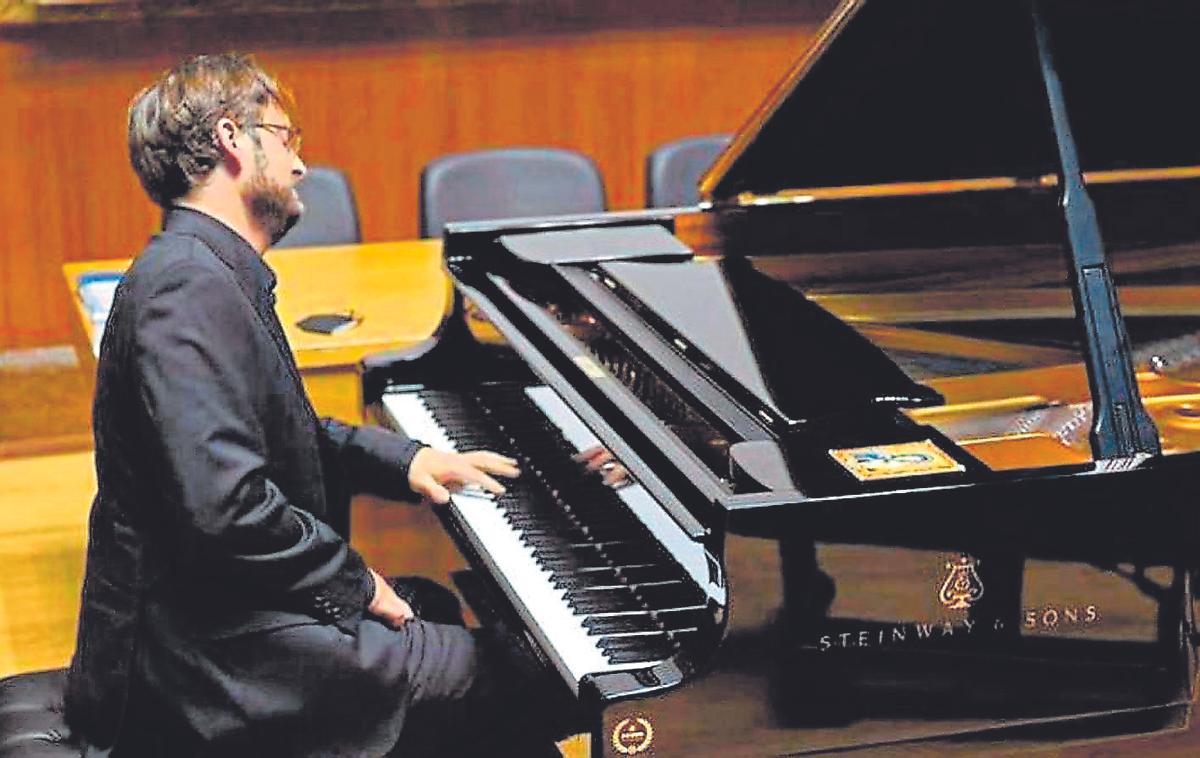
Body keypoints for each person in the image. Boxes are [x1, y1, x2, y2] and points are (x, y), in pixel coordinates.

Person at [65, 52, 551, 756]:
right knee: (529, 676)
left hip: (219, 620)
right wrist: (353, 584)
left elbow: (281, 434)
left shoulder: (203, 271)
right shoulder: (188, 291)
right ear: (234, 139)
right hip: (208, 662)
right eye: (287, 137)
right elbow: (227, 509)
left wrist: (410, 460)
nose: (299, 166)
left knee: (436, 608)